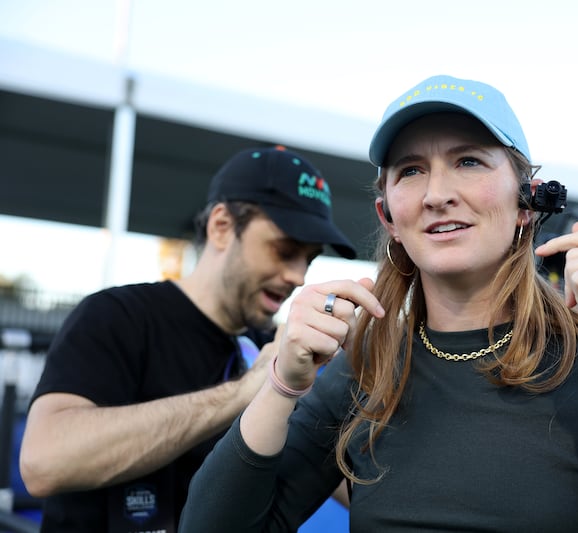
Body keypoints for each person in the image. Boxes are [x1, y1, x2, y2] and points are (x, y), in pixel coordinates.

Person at [178, 75, 578, 532]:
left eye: (468, 161)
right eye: (411, 171)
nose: (437, 194)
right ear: (390, 216)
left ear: (528, 203)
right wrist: (282, 384)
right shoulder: (368, 369)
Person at [18, 146, 356, 532]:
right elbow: (43, 462)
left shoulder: (275, 352)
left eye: (309, 259)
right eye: (285, 250)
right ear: (221, 226)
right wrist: (248, 390)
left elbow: (350, 481)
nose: (298, 275)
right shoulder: (118, 315)